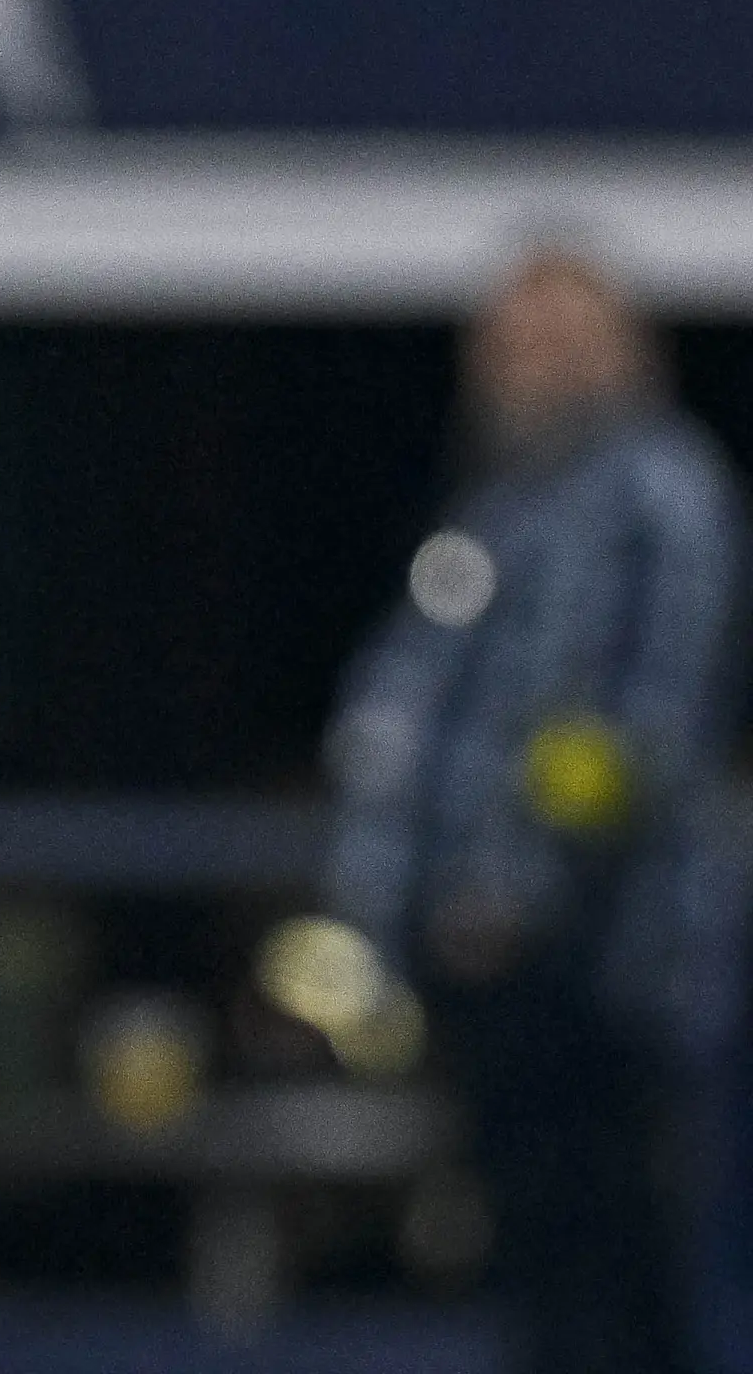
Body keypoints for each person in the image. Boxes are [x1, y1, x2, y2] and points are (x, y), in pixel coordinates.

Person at [323, 248, 744, 1374]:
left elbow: (624, 733)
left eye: (561, 342)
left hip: (597, 965)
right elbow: (415, 708)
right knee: (542, 1278)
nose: (529, 368)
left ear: (627, 354)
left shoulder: (656, 497)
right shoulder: (509, 506)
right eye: (510, 344)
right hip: (484, 964)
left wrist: (513, 894)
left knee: (608, 1280)